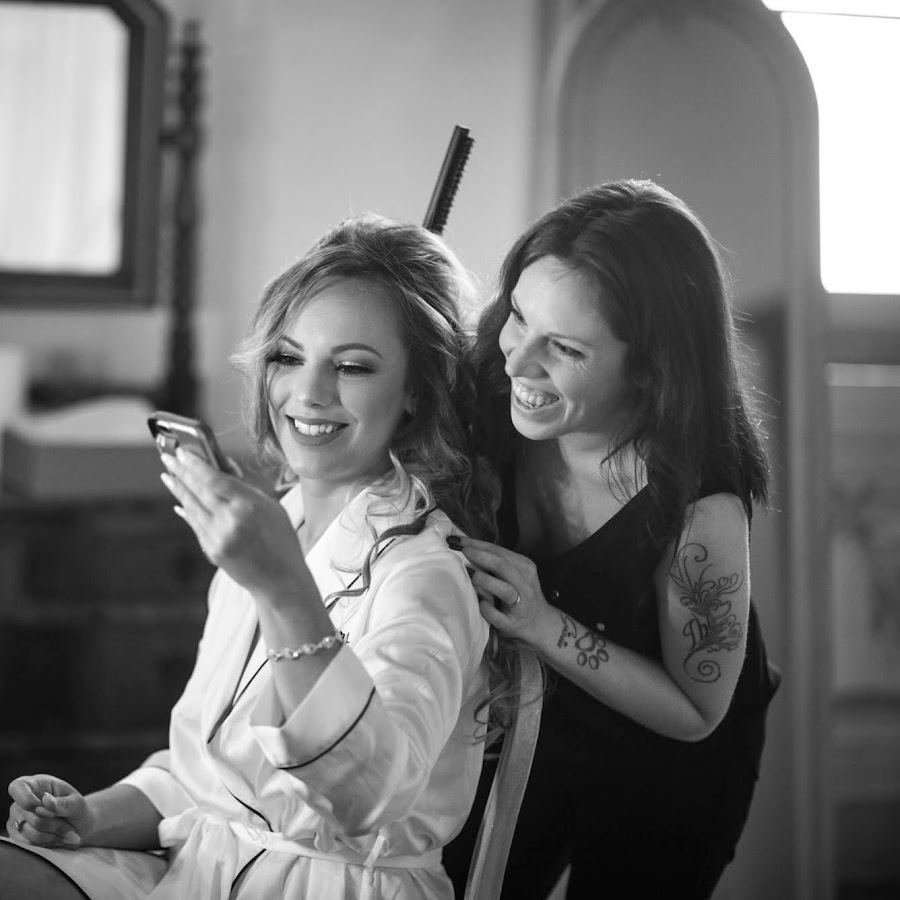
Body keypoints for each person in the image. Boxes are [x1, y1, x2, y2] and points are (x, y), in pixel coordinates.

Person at [2, 214, 509, 900]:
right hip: (200, 868)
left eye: (352, 366)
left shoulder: (425, 574)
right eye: (288, 357)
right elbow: (205, 776)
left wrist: (282, 589)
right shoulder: (275, 524)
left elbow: (369, 794)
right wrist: (89, 816)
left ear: (418, 390)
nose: (308, 392)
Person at [443, 179, 781, 900]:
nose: (517, 361)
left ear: (651, 369)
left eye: (565, 348)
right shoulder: (489, 390)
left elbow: (695, 713)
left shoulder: (701, 508)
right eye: (518, 316)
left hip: (667, 762)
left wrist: (542, 624)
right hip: (536, 718)